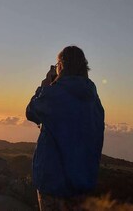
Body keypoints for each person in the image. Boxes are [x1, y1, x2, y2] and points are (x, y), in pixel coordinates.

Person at [26, 46, 105, 210]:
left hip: (53, 181)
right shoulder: (93, 99)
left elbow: (31, 112)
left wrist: (44, 86)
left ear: (61, 65)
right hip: (83, 182)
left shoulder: (53, 94)